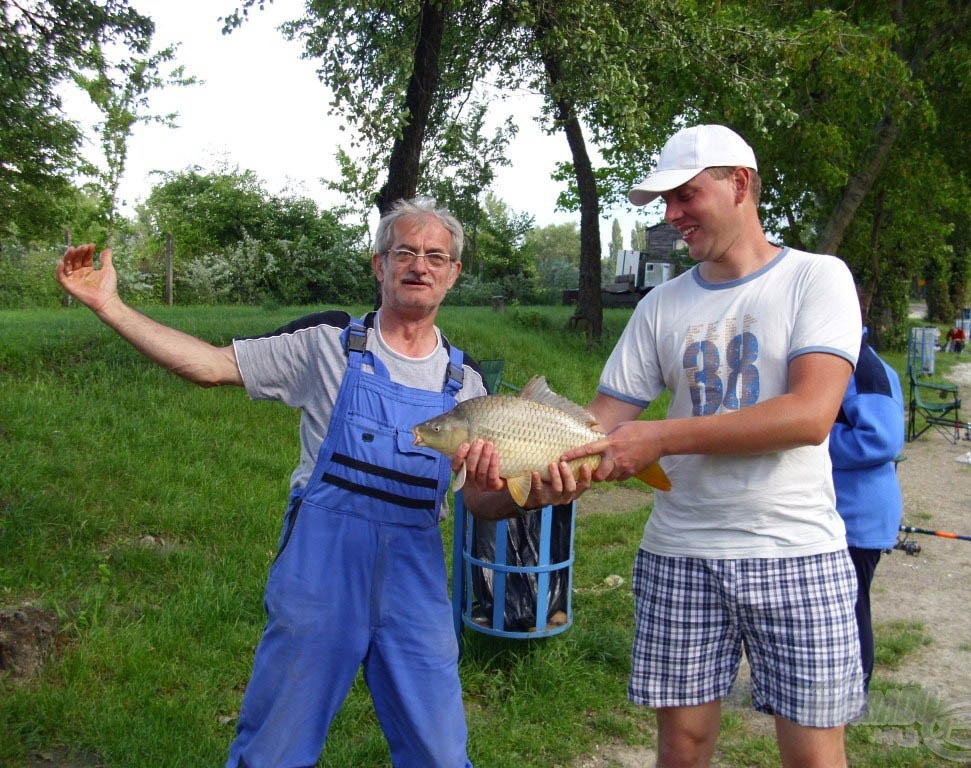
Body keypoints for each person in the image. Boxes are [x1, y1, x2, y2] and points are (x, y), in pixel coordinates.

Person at [55, 198, 585, 768]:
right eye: (404, 251)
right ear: (379, 265)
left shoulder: (469, 385)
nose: (419, 265)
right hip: (320, 574)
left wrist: (525, 495)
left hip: (415, 580)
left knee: (439, 752)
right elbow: (208, 365)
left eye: (436, 256)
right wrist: (109, 305)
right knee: (275, 748)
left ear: (453, 275)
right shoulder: (326, 343)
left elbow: (480, 502)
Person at [561, 124, 866, 768]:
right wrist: (519, 458)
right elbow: (596, 426)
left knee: (813, 754)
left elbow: (810, 414)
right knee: (684, 744)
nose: (672, 218)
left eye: (686, 196)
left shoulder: (817, 279)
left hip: (796, 552)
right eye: (665, 203)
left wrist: (660, 438)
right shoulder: (660, 306)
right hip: (680, 555)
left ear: (740, 185)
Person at [829, 330, 904, 690]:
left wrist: (808, 437)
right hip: (839, 511)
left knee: (852, 608)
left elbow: (881, 439)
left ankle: (855, 688)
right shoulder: (835, 359)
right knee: (833, 607)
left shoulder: (864, 366)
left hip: (859, 517)